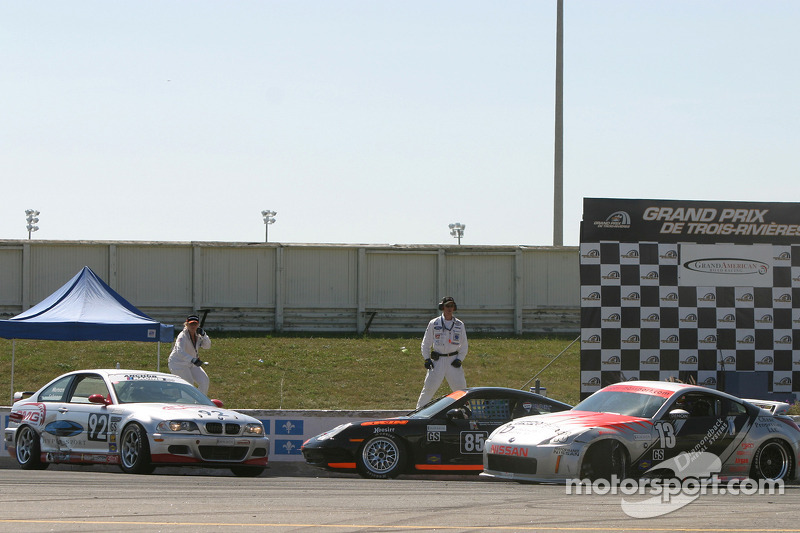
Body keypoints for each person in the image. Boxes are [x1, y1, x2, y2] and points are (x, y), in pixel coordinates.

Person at [416, 296, 468, 408]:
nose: (449, 308)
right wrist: (426, 358)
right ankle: (418, 412)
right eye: (447, 306)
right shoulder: (434, 323)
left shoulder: (459, 324)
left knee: (461, 390)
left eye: (452, 306)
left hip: (453, 361)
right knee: (428, 388)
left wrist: (459, 359)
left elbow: (464, 345)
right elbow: (426, 343)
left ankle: (466, 413)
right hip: (437, 361)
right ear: (442, 307)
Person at [168, 314, 211, 394]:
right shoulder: (182, 336)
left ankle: (199, 402)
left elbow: (207, 346)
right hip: (178, 363)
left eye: (195, 324)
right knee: (188, 385)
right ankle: (188, 403)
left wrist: (204, 335)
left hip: (191, 363)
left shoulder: (198, 335)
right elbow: (179, 351)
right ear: (186, 324)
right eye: (191, 324)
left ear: (198, 325)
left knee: (204, 381)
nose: (193, 326)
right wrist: (192, 359)